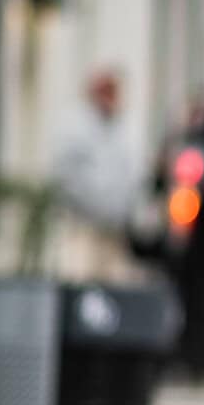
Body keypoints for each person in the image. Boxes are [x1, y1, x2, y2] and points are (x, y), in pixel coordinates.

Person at [52, 67, 140, 282]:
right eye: (105, 91)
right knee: (80, 282)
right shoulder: (75, 126)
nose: (110, 98)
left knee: (114, 285)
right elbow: (67, 176)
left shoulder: (123, 128)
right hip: (83, 227)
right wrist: (91, 207)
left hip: (115, 231)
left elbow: (131, 175)